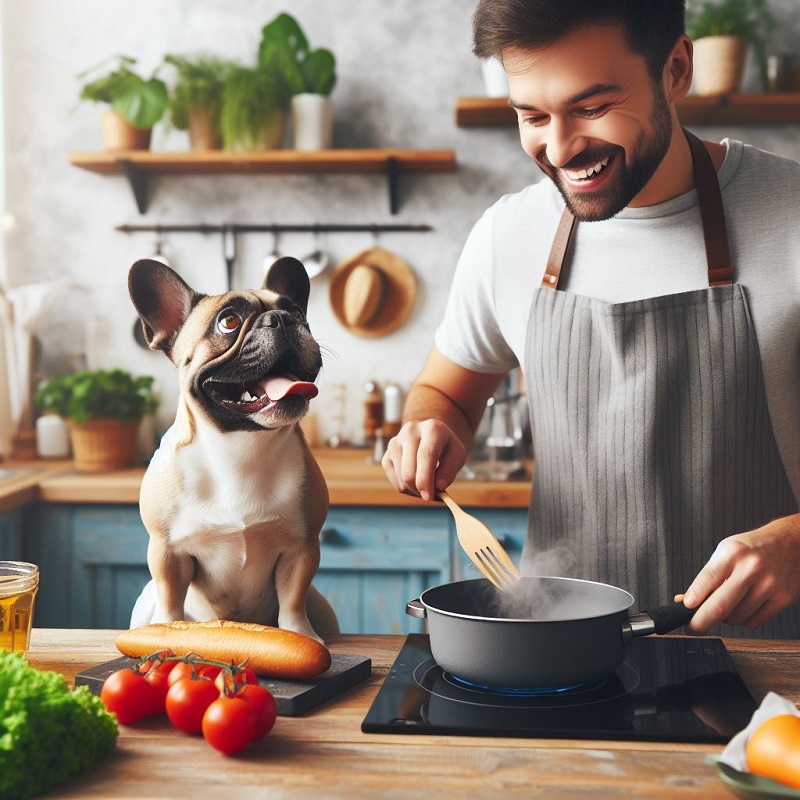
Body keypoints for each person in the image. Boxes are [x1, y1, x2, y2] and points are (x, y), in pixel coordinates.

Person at [382, 0, 800, 638]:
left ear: (676, 69)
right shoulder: (508, 235)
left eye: (593, 107)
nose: (560, 147)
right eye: (532, 115)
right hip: (566, 657)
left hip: (770, 673)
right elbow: (443, 393)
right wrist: (430, 427)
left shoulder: (792, 216)